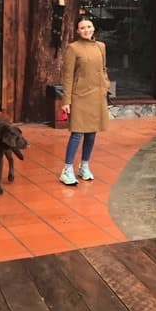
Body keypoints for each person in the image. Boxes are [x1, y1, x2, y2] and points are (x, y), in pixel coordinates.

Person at [59, 16, 110, 185]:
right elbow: (67, 76)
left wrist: (105, 85)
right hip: (79, 96)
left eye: (89, 26)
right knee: (77, 133)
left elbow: (103, 69)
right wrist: (66, 101)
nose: (86, 30)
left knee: (92, 132)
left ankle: (84, 166)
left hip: (97, 95)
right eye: (82, 28)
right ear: (77, 31)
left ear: (94, 28)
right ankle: (67, 169)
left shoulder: (101, 47)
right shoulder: (73, 48)